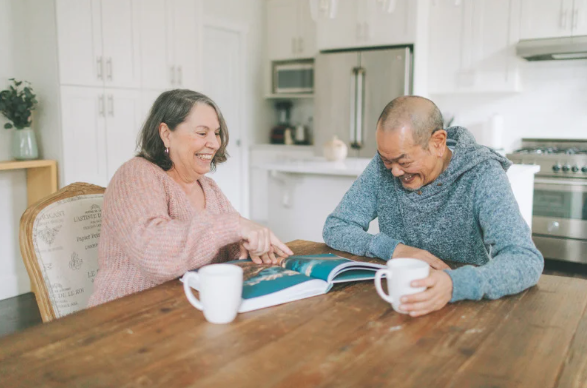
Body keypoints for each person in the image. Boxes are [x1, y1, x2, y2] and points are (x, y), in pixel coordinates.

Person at [323, 96, 543, 317]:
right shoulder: (386, 165)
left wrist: (454, 283)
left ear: (438, 143)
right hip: (397, 304)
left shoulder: (482, 174)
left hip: (465, 309)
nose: (395, 172)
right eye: (387, 161)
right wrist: (394, 249)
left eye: (404, 162)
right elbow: (336, 226)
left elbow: (524, 259)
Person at [89, 89, 293, 306]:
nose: (214, 143)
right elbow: (155, 255)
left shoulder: (208, 187)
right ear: (166, 134)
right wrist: (234, 226)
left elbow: (226, 246)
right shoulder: (135, 175)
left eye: (216, 133)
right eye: (202, 133)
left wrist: (250, 246)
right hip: (127, 317)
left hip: (187, 309)